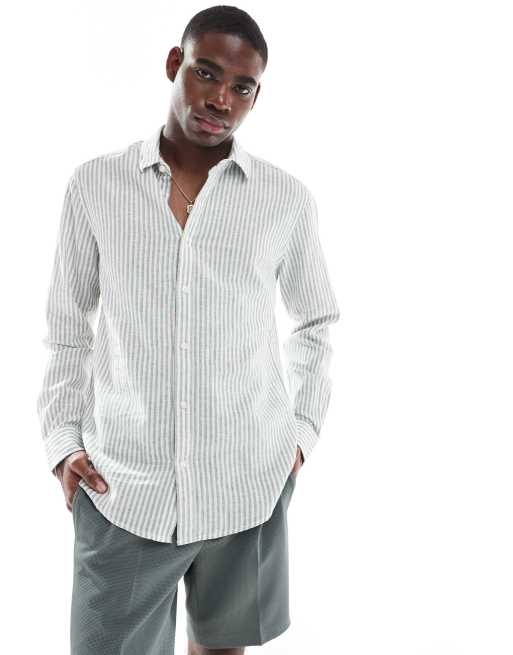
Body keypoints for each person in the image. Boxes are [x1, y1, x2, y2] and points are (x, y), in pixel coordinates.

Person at [37, 5, 340, 654]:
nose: (220, 99)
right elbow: (67, 327)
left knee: (224, 648)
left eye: (241, 87)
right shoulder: (96, 185)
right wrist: (62, 442)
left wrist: (299, 436)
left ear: (257, 96)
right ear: (175, 64)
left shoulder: (284, 200)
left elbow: (316, 321)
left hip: (248, 487)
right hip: (124, 489)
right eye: (207, 73)